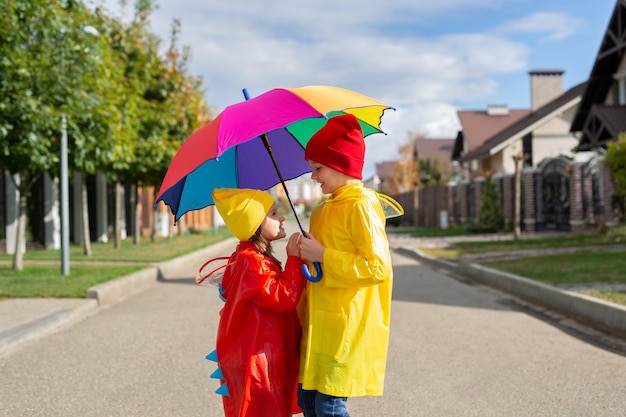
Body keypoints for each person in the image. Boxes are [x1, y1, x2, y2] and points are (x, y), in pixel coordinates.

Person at [296, 114, 394, 417]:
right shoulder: (322, 210)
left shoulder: (361, 205)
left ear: (341, 164)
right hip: (318, 324)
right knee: (307, 401)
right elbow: (317, 267)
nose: (313, 176)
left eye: (318, 168)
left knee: (329, 407)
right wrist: (301, 253)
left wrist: (323, 255)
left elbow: (377, 267)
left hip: (345, 325)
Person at [212, 187, 306, 417]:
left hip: (261, 357)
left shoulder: (249, 257)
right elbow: (284, 297)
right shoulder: (252, 262)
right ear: (254, 225)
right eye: (274, 214)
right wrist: (294, 259)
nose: (282, 217)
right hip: (259, 362)